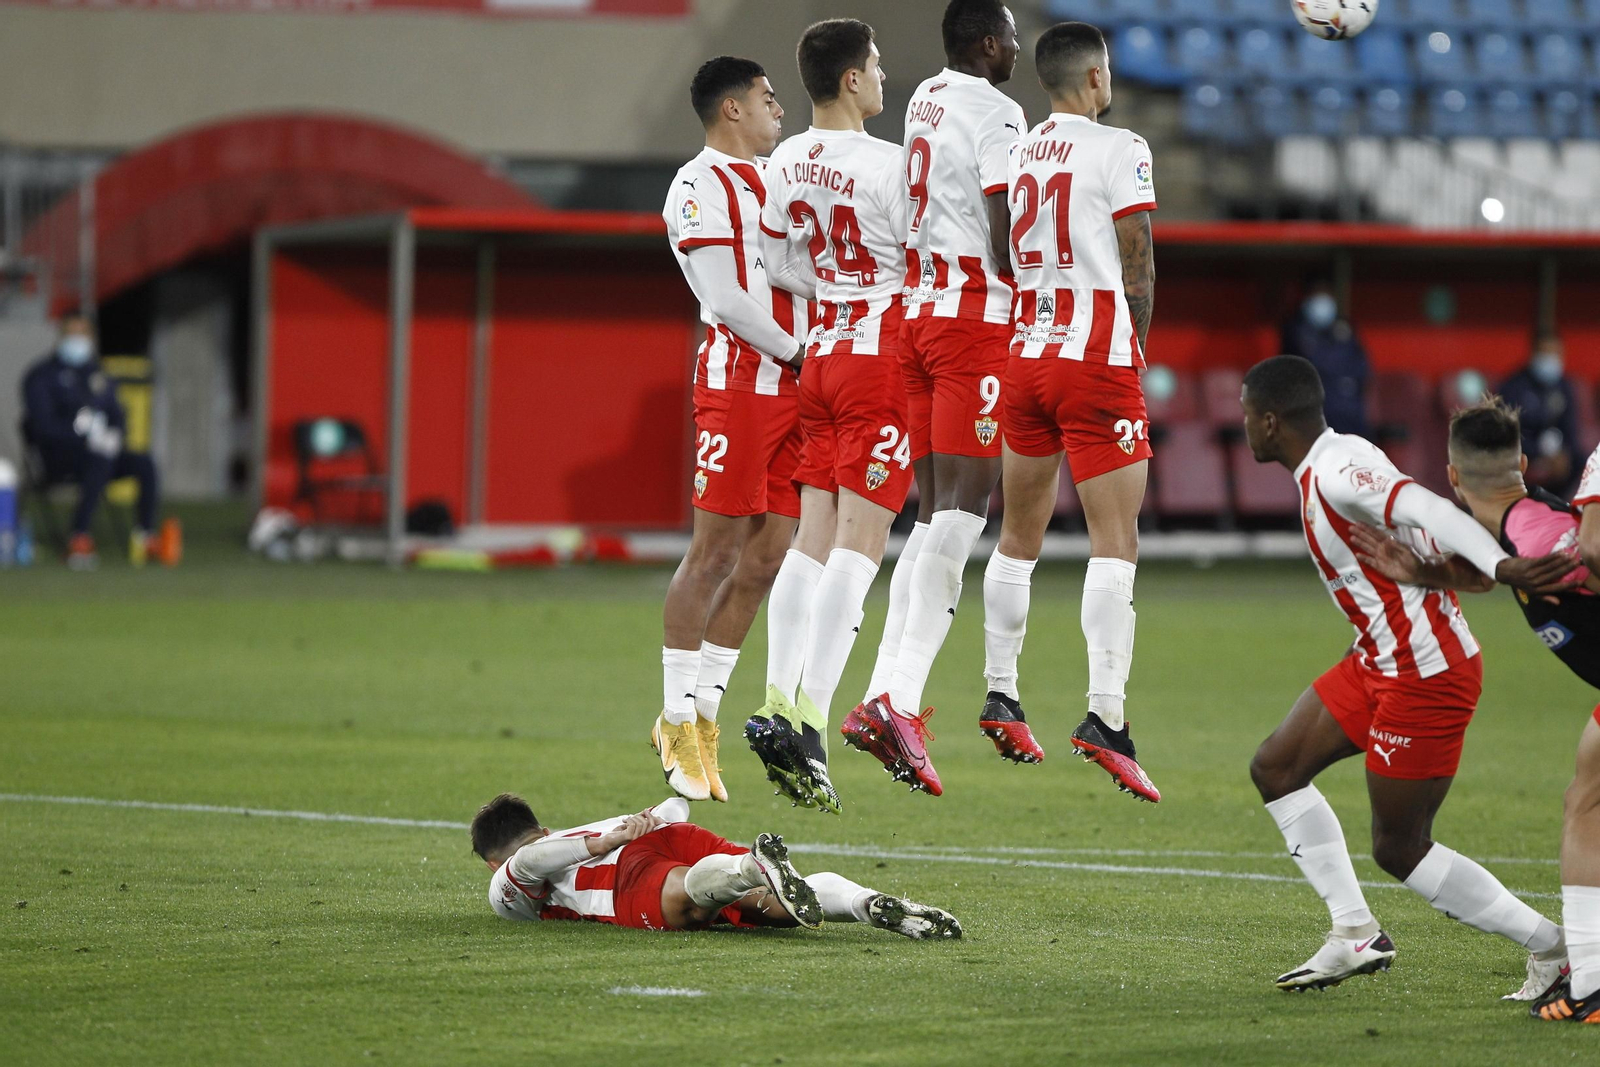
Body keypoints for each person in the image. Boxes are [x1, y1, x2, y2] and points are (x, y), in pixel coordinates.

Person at [1239, 355, 1576, 994]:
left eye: (1246, 415)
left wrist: (1501, 569)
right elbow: (1422, 534)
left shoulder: (1338, 472)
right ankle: (1352, 931)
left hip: (1425, 674)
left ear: (1270, 422)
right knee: (1277, 767)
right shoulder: (1338, 456)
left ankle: (1555, 948)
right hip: (1377, 659)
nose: (1244, 425)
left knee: (1400, 846)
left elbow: (1430, 508)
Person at [1345, 399, 1599, 1016]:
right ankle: (1589, 977)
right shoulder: (1519, 521)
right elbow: (1495, 567)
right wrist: (1432, 573)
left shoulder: (1541, 533)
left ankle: (1591, 984)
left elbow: (1575, 559)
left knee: (1586, 805)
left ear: (1451, 476)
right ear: (1522, 460)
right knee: (1584, 798)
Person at [849, 0, 1043, 781]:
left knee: (933, 517)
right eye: (1014, 40)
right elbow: (1002, 225)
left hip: (918, 318)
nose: (1019, 51)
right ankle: (897, 701)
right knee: (963, 512)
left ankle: (882, 695)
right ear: (990, 43)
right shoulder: (999, 112)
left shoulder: (923, 96)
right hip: (973, 322)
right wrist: (1037, 282)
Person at [978, 21, 1160, 803]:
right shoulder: (1122, 148)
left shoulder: (1015, 151)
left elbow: (998, 246)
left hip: (1026, 351)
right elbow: (1139, 259)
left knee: (1018, 533)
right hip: (1095, 357)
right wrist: (1136, 345)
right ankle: (1105, 714)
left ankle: (1000, 689)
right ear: (1094, 79)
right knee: (1114, 540)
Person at [747, 19, 916, 809]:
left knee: (810, 539)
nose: (884, 76)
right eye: (877, 66)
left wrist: (833, 289)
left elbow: (776, 261)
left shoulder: (784, 158)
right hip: (879, 359)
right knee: (862, 542)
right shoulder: (891, 164)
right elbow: (922, 267)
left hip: (818, 356)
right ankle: (811, 722)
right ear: (851, 79)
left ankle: (777, 699)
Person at [652, 58, 814, 804]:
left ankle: (709, 713)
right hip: (743, 383)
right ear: (730, 109)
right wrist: (797, 351)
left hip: (799, 387)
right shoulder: (697, 185)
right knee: (715, 550)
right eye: (765, 96)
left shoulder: (779, 177)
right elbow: (724, 294)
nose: (779, 106)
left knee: (769, 556)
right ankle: (674, 715)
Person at [471, 793, 961, 938]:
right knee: (781, 910)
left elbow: (529, 861)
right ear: (542, 822)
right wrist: (640, 821)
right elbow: (674, 810)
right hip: (666, 836)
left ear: (494, 859)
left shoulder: (506, 879)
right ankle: (866, 903)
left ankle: (750, 868)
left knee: (690, 898)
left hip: (622, 878)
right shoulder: (584, 825)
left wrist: (604, 843)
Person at [20, 312, 176, 570]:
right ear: (61, 337)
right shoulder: (41, 376)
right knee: (98, 459)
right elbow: (42, 426)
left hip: (98, 456)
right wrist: (80, 436)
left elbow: (118, 415)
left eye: (84, 334)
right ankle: (79, 536)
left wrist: (113, 435)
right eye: (73, 333)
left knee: (143, 462)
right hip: (58, 457)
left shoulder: (98, 374)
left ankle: (145, 536)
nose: (78, 340)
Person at [1279, 276, 1371, 439]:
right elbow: (1314, 364)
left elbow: (1362, 369)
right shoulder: (1295, 330)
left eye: (1326, 294)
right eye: (1317, 294)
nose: (1322, 300)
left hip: (1350, 415)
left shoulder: (1345, 328)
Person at [1498, 331, 1584, 496]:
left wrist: (1564, 455)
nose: (1550, 359)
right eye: (1545, 353)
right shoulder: (1514, 387)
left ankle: (1564, 507)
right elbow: (1508, 435)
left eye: (1555, 353)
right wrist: (1538, 454)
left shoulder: (1564, 387)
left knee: (1583, 460)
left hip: (1558, 457)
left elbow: (1571, 430)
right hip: (1526, 454)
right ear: (1533, 354)